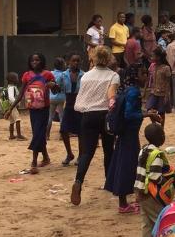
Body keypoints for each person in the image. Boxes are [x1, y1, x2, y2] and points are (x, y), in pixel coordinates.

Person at [71, 46, 121, 206]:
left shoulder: (86, 76)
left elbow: (82, 98)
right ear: (108, 59)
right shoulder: (113, 76)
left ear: (94, 59)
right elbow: (112, 96)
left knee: (86, 152)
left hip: (87, 115)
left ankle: (78, 181)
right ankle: (109, 181)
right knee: (108, 149)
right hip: (105, 114)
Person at [4, 53, 56, 174]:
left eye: (37, 60)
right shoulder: (27, 75)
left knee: (37, 134)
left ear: (42, 61)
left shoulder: (48, 74)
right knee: (39, 134)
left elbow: (56, 89)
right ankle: (46, 158)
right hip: (32, 110)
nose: (35, 62)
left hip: (44, 109)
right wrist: (10, 108)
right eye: (33, 60)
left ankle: (34, 162)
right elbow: (21, 93)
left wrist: (53, 85)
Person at [106, 62, 146, 214]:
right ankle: (125, 203)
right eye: (143, 73)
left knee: (123, 163)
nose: (145, 76)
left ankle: (125, 202)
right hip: (129, 134)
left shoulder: (126, 89)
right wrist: (147, 114)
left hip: (124, 133)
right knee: (127, 165)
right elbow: (130, 114)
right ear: (136, 76)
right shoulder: (133, 91)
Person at [135, 122, 173, 237]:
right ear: (161, 137)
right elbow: (154, 176)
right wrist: (166, 181)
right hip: (150, 194)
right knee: (160, 221)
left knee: (147, 223)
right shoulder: (157, 155)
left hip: (140, 190)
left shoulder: (143, 150)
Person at [58, 54, 83, 166]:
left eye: (78, 61)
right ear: (68, 62)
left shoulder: (84, 75)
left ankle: (80, 155)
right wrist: (52, 85)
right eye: (73, 61)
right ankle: (69, 154)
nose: (76, 63)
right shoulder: (63, 75)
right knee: (63, 130)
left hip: (80, 104)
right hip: (68, 104)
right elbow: (56, 88)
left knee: (81, 132)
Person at [147, 47, 172, 114]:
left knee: (161, 112)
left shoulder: (166, 68)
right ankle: (155, 121)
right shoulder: (153, 66)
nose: (151, 58)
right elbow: (149, 78)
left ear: (158, 57)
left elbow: (168, 83)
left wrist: (167, 95)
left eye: (153, 56)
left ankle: (160, 121)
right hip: (153, 92)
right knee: (149, 109)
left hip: (162, 93)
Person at [48, 57, 67, 139]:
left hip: (51, 97)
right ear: (62, 65)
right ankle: (62, 135)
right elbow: (66, 85)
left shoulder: (50, 73)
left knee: (50, 117)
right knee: (62, 117)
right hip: (61, 98)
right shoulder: (64, 74)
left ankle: (47, 135)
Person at [2, 72, 24, 140]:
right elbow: (11, 98)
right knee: (18, 120)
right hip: (12, 106)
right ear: (12, 80)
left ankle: (11, 135)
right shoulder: (12, 88)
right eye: (16, 78)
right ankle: (19, 135)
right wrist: (16, 104)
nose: (18, 79)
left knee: (12, 121)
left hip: (10, 106)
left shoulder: (9, 87)